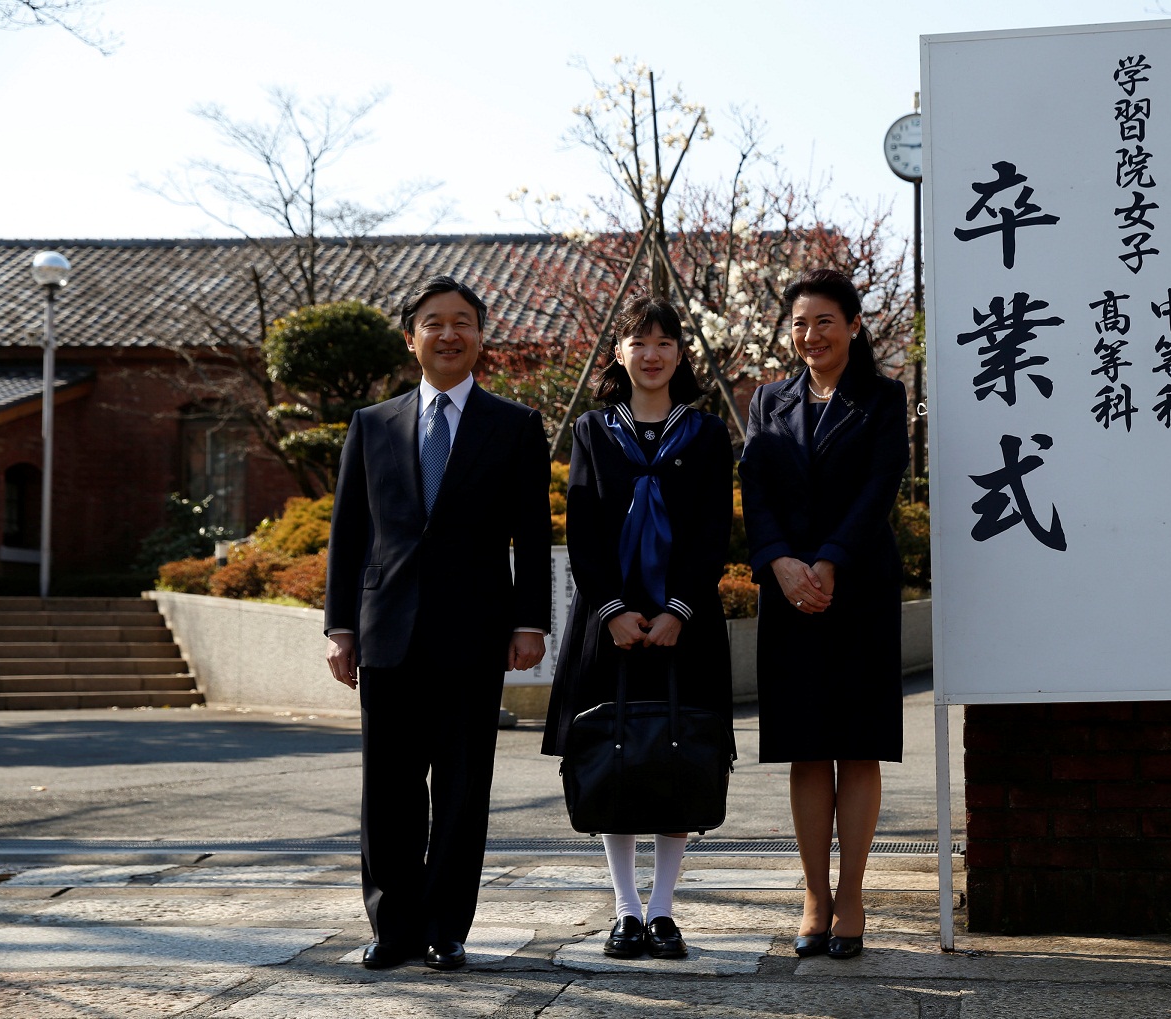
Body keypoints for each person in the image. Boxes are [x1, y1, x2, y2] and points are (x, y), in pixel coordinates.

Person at [323, 274, 552, 971]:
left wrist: (530, 621)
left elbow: (532, 535)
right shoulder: (372, 424)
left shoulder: (514, 426)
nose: (448, 334)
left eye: (462, 322)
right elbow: (349, 534)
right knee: (388, 789)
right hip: (386, 630)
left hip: (474, 630)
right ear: (410, 336)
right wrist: (340, 627)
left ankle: (448, 926)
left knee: (459, 788)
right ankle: (393, 928)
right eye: (433, 322)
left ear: (481, 336)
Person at [542, 295, 734, 961]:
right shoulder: (594, 432)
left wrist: (680, 607)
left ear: (680, 354)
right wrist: (614, 610)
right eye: (639, 341)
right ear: (618, 354)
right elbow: (584, 526)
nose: (652, 353)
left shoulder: (708, 434)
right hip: (609, 621)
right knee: (612, 756)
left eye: (665, 342)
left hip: (688, 622)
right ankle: (624, 908)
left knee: (680, 753)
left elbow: (714, 529)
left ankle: (663, 910)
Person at [738, 268, 909, 960]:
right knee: (806, 746)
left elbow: (881, 484)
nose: (811, 335)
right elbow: (755, 487)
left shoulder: (884, 398)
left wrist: (831, 559)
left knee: (858, 744)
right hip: (789, 593)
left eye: (825, 322)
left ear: (855, 326)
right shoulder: (766, 401)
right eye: (800, 323)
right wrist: (780, 562)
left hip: (859, 587)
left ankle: (853, 893)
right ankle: (814, 892)